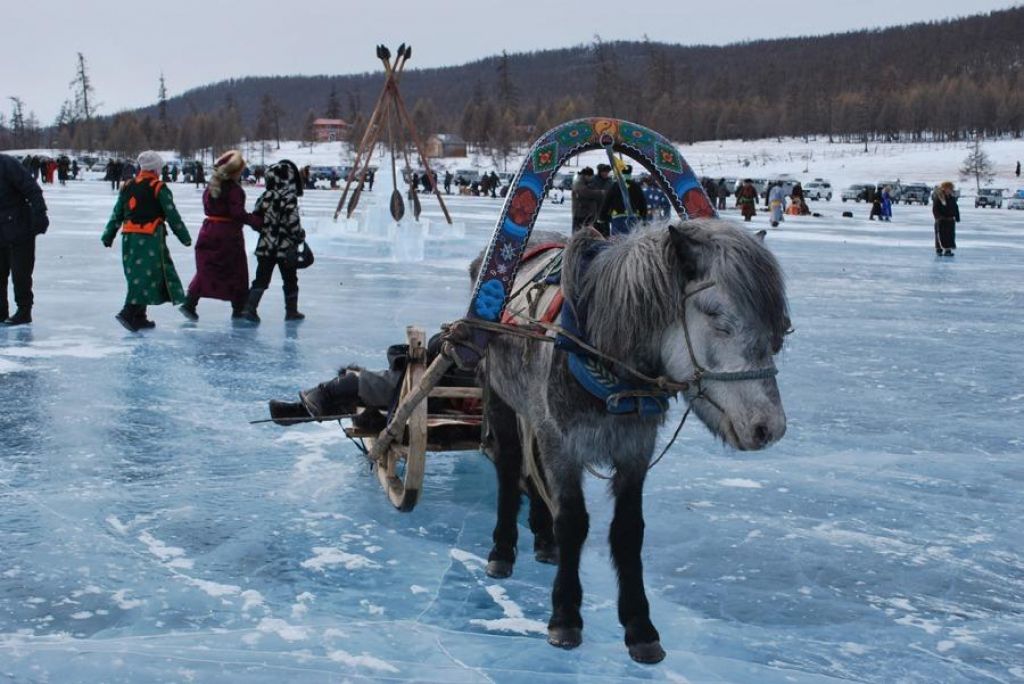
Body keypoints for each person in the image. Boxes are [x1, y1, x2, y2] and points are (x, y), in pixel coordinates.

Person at [267, 332, 477, 439]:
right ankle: (305, 408)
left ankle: (320, 398)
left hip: (450, 395)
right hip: (461, 389)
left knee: (388, 382)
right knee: (396, 376)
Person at [101, 151, 192, 332]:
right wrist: (185, 237)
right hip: (150, 239)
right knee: (146, 276)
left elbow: (117, 213)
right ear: (157, 169)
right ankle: (129, 312)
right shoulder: (159, 187)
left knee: (137, 274)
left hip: (129, 237)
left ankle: (139, 316)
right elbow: (172, 215)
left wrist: (108, 234)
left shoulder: (127, 186)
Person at [180, 150, 263, 322]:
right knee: (236, 270)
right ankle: (238, 307)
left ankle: (190, 302)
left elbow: (208, 208)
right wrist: (257, 222)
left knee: (206, 268)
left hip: (208, 231)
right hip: (228, 235)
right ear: (235, 171)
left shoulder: (210, 187)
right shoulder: (235, 190)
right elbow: (237, 213)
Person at [241, 160, 306, 322]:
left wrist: (265, 229)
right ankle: (291, 311)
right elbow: (293, 222)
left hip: (266, 247)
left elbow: (256, 216)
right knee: (290, 279)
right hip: (285, 248)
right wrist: (299, 235)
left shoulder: (266, 196)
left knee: (261, 278)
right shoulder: (289, 197)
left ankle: (249, 308)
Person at [0, 153, 49, 325]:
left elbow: (32, 189)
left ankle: (24, 310)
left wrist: (40, 213)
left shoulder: (7, 164)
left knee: (20, 274)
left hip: (20, 229)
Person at [598, 164, 648, 236]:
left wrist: (602, 217)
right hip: (633, 218)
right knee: (633, 241)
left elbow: (607, 202)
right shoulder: (636, 186)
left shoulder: (615, 185)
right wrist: (643, 217)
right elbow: (643, 202)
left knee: (618, 243)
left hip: (618, 218)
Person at [932, 181, 960, 257]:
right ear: (944, 189)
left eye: (951, 188)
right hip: (941, 220)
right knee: (940, 235)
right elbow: (935, 209)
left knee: (950, 236)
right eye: (948, 188)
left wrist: (957, 217)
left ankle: (948, 250)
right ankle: (939, 249)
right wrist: (938, 217)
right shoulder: (939, 198)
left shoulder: (952, 198)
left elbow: (955, 208)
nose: (949, 190)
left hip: (950, 221)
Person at [570, 167, 603, 231]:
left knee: (585, 231)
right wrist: (600, 192)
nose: (592, 178)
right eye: (591, 176)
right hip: (581, 213)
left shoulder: (584, 182)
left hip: (585, 212)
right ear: (587, 175)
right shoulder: (579, 182)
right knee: (580, 231)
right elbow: (585, 192)